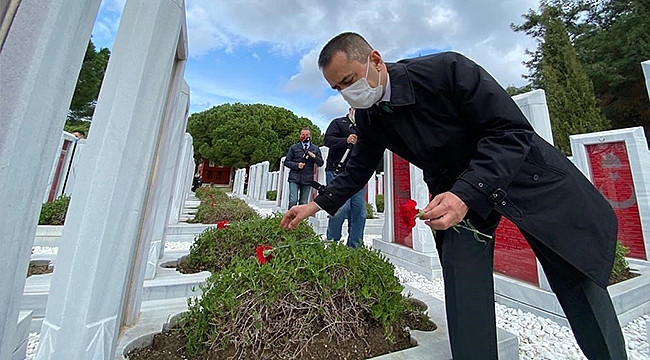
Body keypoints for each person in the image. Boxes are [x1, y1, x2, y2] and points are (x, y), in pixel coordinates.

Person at [281, 32, 626, 359]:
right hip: (454, 198)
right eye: (338, 88)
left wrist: (465, 193)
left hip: (527, 177)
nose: (348, 93)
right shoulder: (371, 118)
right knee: (464, 291)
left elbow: (510, 132)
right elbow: (357, 168)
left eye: (350, 79)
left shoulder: (447, 70)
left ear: (375, 59)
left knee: (577, 281)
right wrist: (314, 205)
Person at [324, 107, 366, 248]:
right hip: (337, 171)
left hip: (357, 174)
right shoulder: (338, 123)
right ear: (350, 109)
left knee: (359, 211)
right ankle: (332, 243)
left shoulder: (365, 127)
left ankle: (355, 247)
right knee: (340, 208)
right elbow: (327, 140)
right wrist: (345, 140)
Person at [284, 127, 324, 209]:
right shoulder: (294, 148)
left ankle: (301, 221)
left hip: (307, 179)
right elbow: (287, 162)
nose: (305, 136)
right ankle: (290, 218)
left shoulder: (315, 149)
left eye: (307, 135)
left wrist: (314, 157)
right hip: (294, 177)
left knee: (303, 202)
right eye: (303, 134)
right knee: (293, 200)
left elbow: (321, 163)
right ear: (300, 136)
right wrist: (297, 165)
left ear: (310, 136)